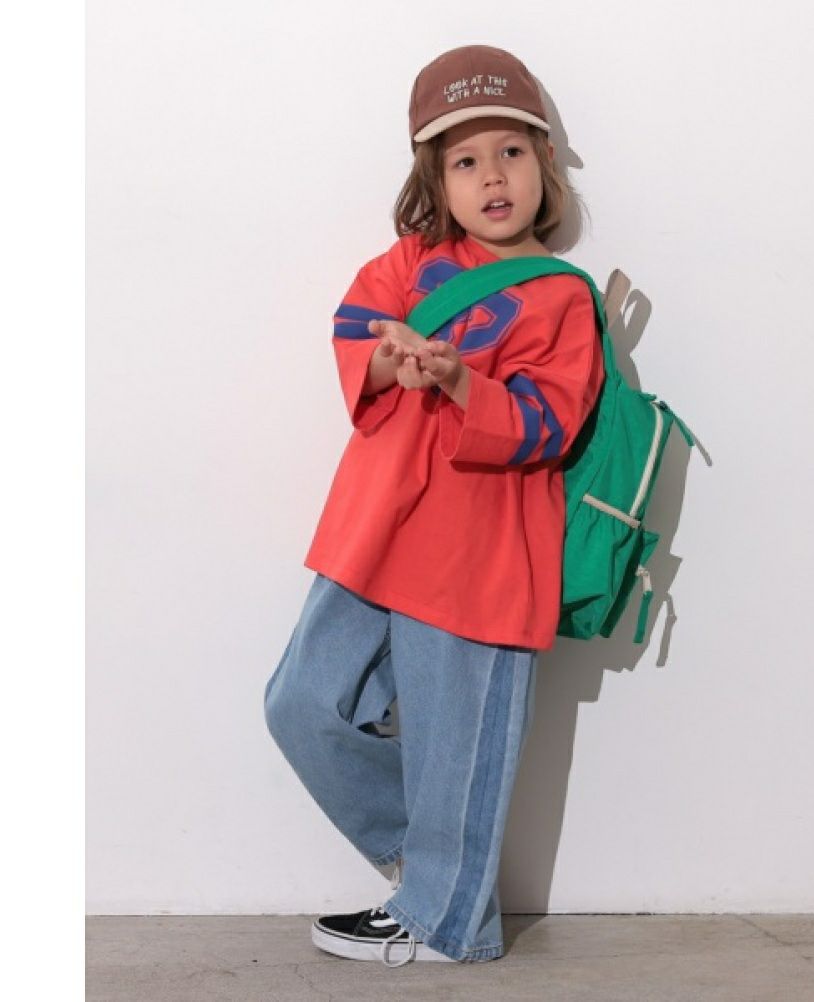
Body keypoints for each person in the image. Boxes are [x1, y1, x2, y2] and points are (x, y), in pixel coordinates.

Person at [263, 44, 605, 966]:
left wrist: (459, 380)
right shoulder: (411, 261)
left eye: (511, 152)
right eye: (465, 160)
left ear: (544, 163)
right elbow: (352, 328)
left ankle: (450, 921)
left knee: (460, 746)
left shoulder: (564, 299)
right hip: (374, 534)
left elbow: (550, 423)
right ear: (435, 179)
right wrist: (388, 359)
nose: (492, 176)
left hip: (478, 553)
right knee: (301, 704)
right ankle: (436, 878)